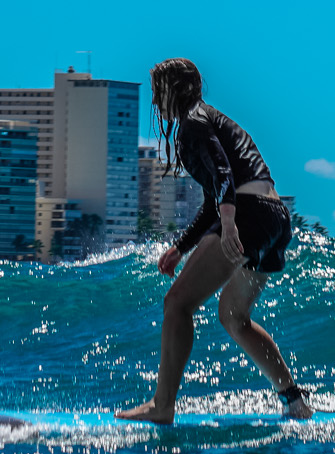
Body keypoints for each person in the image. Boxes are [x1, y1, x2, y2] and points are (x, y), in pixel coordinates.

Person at [116, 58, 313, 423]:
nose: (155, 100)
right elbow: (214, 195)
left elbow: (223, 172)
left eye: (158, 90)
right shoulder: (207, 118)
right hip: (273, 218)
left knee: (177, 303)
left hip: (247, 215)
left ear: (173, 89)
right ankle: (295, 401)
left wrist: (229, 222)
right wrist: (181, 247)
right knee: (234, 317)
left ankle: (162, 406)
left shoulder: (193, 122)